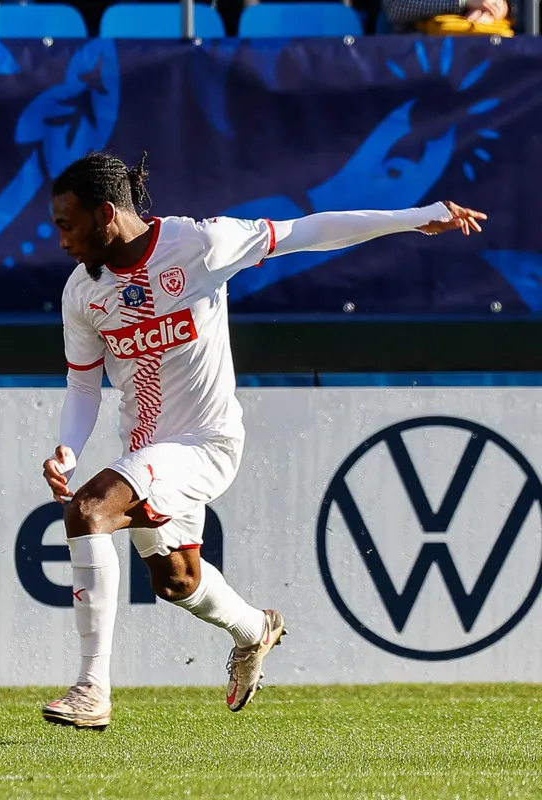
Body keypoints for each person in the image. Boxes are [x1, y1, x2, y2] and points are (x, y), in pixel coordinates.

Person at [39, 150, 486, 728]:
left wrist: (413, 215)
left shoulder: (199, 244)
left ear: (105, 214)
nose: (61, 241)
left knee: (90, 510)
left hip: (205, 442)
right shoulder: (81, 292)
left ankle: (92, 689)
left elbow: (309, 230)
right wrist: (69, 448)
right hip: (144, 453)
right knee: (177, 582)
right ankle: (255, 629)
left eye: (66, 225)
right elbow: (83, 388)